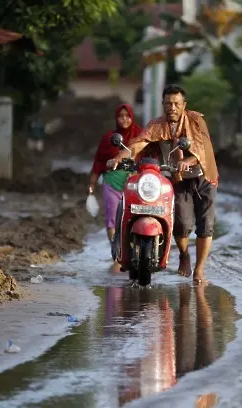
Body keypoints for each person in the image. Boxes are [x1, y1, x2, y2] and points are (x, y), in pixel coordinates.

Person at [108, 84, 219, 284]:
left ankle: (199, 270)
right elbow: (139, 143)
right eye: (168, 103)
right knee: (181, 223)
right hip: (177, 178)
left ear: (184, 105)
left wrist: (187, 161)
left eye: (176, 103)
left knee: (206, 225)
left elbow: (202, 149)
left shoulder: (196, 122)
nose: (172, 107)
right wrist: (120, 155)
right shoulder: (157, 125)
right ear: (163, 105)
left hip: (203, 176)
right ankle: (184, 254)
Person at [88, 104, 143, 264]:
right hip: (112, 182)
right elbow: (98, 162)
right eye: (121, 116)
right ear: (116, 118)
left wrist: (136, 173)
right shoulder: (108, 138)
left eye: (127, 115)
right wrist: (91, 183)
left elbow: (148, 157)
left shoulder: (140, 135)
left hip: (134, 183)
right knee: (112, 219)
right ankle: (117, 253)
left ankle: (137, 249)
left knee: (135, 216)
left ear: (132, 117)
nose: (124, 119)